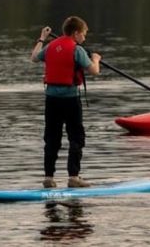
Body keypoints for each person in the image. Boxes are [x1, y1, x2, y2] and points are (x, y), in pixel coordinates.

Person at [30, 16, 101, 188]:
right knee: (76, 137)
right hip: (70, 100)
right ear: (76, 33)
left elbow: (34, 57)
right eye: (84, 34)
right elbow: (94, 71)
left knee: (52, 138)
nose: (84, 38)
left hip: (51, 100)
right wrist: (96, 59)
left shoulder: (50, 46)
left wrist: (42, 38)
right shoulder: (77, 50)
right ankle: (74, 177)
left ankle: (48, 177)